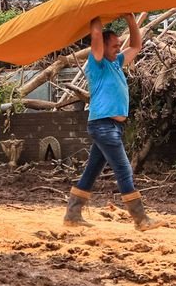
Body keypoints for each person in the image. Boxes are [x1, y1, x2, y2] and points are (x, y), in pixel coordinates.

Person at [63, 14, 160, 231]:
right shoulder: (96, 64)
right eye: (114, 45)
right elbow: (96, 33)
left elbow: (136, 44)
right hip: (103, 125)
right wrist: (97, 10)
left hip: (111, 126)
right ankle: (140, 218)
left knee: (92, 170)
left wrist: (130, 19)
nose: (118, 48)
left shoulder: (116, 62)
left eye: (118, 45)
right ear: (102, 46)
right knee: (123, 169)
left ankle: (72, 214)